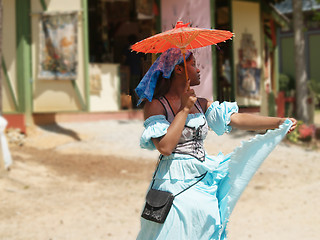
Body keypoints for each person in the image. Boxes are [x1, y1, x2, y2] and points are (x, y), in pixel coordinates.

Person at [135, 48, 297, 240]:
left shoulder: (200, 103)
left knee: (207, 228)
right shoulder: (156, 105)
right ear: (179, 70)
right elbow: (165, 147)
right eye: (193, 64)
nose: (199, 69)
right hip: (173, 181)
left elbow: (236, 119)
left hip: (203, 177)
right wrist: (185, 109)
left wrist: (277, 122)